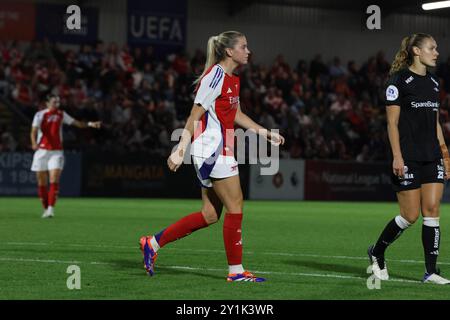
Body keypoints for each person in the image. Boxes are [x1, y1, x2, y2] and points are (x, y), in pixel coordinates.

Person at [139, 31, 285, 282]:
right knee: (236, 206)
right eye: (244, 46)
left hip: (219, 148)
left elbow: (236, 114)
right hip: (212, 150)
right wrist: (180, 149)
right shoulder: (215, 77)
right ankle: (236, 272)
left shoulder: (233, 79)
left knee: (209, 214)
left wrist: (263, 132)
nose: (248, 51)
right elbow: (193, 117)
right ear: (229, 51)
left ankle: (152, 243)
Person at [368, 33, 450, 284]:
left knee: (432, 210)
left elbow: (435, 121)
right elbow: (392, 123)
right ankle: (377, 252)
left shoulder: (435, 82)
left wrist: (445, 153)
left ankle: (431, 271)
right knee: (410, 215)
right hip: (408, 156)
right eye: (432, 48)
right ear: (416, 51)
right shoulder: (398, 81)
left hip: (432, 155)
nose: (436, 52)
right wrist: (397, 157)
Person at [30, 93, 101, 218]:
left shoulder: (61, 114)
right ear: (47, 103)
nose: (57, 104)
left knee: (54, 178)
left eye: (58, 102)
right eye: (54, 102)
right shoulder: (40, 115)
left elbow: (77, 123)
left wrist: (90, 124)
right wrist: (34, 143)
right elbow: (33, 131)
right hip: (41, 152)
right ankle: (46, 209)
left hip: (56, 152)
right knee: (41, 182)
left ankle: (51, 209)